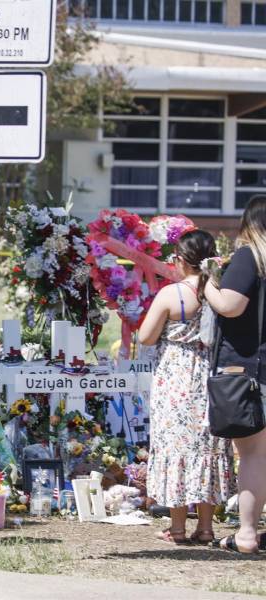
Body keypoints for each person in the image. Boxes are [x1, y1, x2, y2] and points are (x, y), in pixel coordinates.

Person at [139, 230, 235, 545]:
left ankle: (177, 528)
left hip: (176, 378)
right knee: (206, 449)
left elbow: (146, 337)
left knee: (175, 448)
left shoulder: (171, 294)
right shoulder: (218, 290)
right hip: (210, 376)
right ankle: (206, 527)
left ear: (181, 260)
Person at [204, 194, 266, 554]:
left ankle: (245, 533)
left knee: (254, 454)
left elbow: (230, 305)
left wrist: (208, 283)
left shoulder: (250, 257)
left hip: (249, 369)